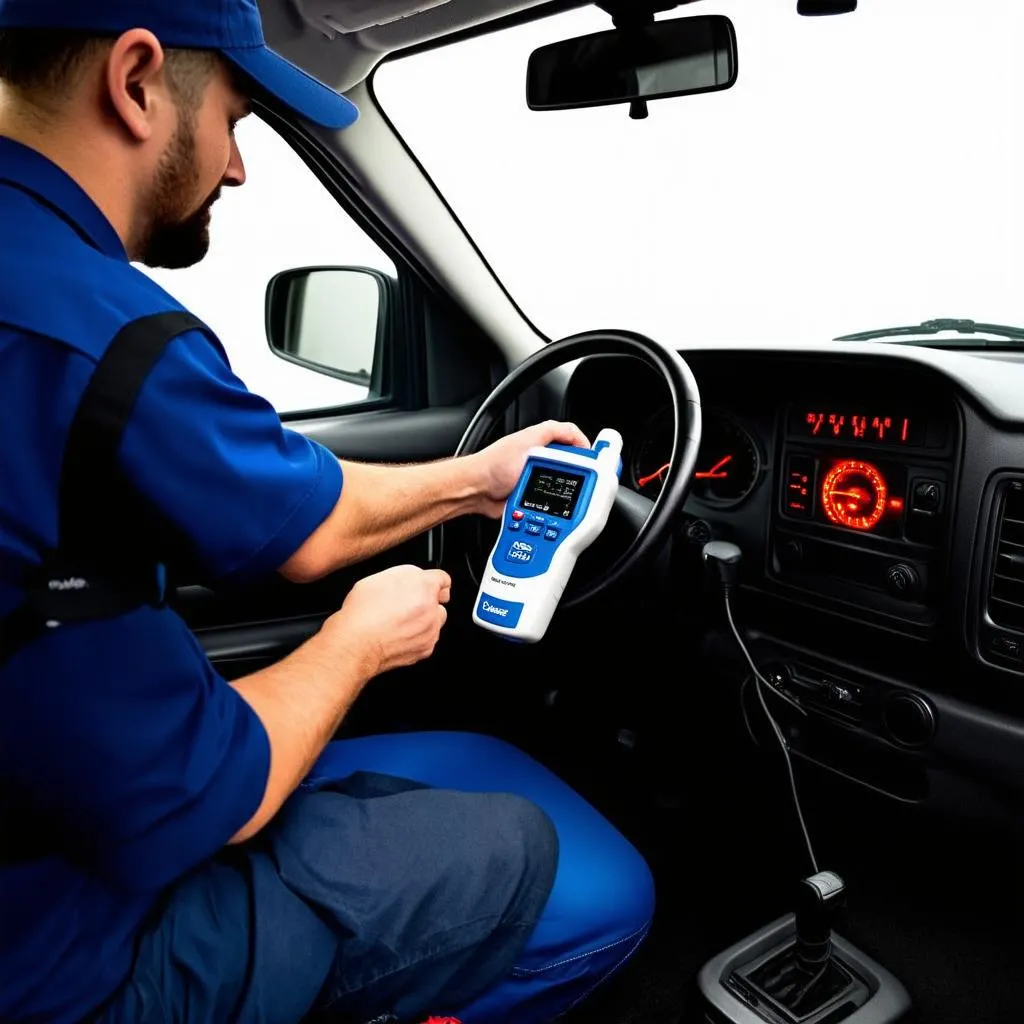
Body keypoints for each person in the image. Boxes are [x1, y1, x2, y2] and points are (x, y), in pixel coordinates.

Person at [0, 2, 655, 1023]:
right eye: (236, 120)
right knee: (556, 862)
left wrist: (477, 479)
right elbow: (209, 795)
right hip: (69, 965)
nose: (236, 167)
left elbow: (295, 507)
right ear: (134, 83)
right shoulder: (102, 333)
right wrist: (360, 639)